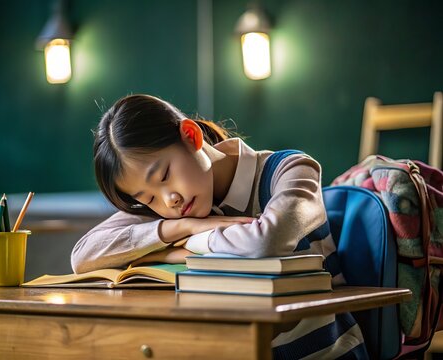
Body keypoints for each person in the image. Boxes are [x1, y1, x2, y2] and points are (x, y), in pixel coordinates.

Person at [71, 94, 368, 359]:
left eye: (164, 175)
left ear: (190, 135)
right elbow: (83, 256)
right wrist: (179, 228)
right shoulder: (175, 213)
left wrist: (180, 246)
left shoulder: (290, 170)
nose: (168, 200)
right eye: (147, 198)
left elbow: (264, 243)